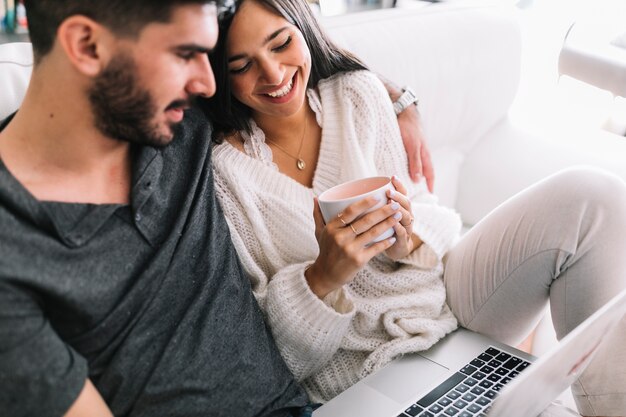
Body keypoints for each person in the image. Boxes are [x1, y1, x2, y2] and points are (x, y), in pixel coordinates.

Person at [201, 0, 626, 416]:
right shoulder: (225, 175)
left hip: (441, 301)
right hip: (358, 376)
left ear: (304, 27)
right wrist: (322, 279)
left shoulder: (356, 94)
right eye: (242, 66)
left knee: (594, 196)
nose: (273, 74)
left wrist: (408, 241)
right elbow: (273, 360)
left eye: (280, 44)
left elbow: (425, 207)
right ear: (220, 75)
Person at [0, 1, 319, 416]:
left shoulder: (173, 115)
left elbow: (293, 53)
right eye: (185, 54)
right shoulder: (11, 243)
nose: (207, 83)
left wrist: (398, 98)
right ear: (86, 45)